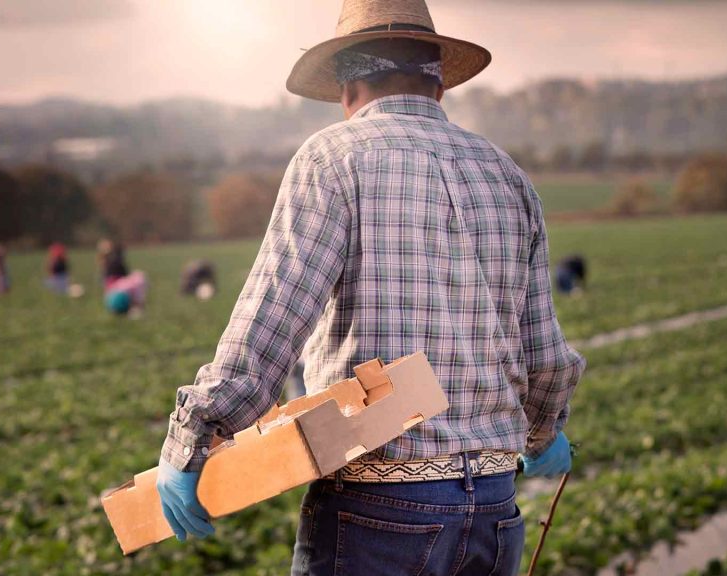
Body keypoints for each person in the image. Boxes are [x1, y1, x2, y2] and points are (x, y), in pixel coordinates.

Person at [155, 1, 585, 575]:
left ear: (348, 83)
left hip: (378, 506)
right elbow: (545, 354)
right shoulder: (506, 173)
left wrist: (194, 433)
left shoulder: (332, 159)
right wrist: (542, 431)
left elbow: (273, 318)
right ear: (436, 83)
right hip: (493, 507)